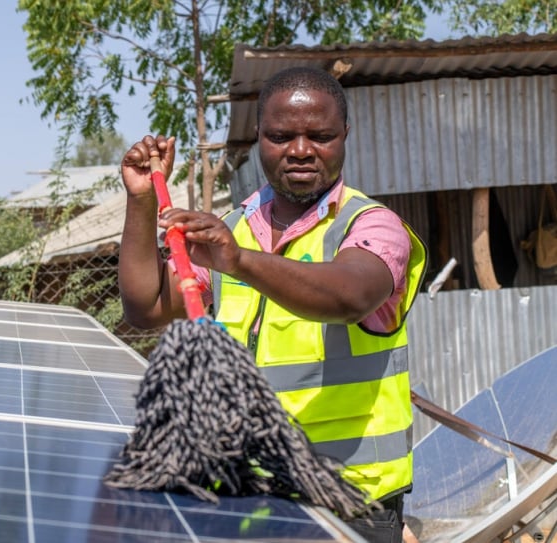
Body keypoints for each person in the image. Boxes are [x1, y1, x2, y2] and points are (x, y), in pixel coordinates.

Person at [117, 66, 427, 543]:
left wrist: (239, 261)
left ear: (345, 135)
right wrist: (140, 202)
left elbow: (349, 295)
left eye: (320, 135)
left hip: (347, 509)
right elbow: (148, 307)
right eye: (281, 136)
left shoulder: (371, 226)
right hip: (252, 506)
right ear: (257, 137)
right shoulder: (233, 228)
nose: (301, 150)